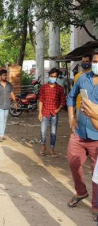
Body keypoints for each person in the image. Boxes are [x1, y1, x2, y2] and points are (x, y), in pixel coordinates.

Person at [66, 51, 98, 222]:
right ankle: (81, 192)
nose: (95, 64)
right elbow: (71, 97)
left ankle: (96, 204)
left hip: (97, 137)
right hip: (79, 133)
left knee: (97, 173)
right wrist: (71, 118)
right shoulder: (83, 78)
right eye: (94, 61)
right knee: (72, 160)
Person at [38, 68, 66, 157]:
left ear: (57, 77)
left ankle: (52, 149)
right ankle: (43, 146)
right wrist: (39, 113)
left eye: (55, 76)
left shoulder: (60, 89)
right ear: (49, 76)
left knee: (53, 132)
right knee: (43, 131)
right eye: (51, 76)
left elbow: (63, 101)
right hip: (45, 112)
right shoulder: (43, 87)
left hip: (54, 114)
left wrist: (58, 110)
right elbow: (41, 100)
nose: (53, 78)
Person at [0, 69, 17, 142]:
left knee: (5, 120)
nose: (5, 76)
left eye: (6, 75)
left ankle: (2, 134)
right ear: (0, 76)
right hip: (0, 105)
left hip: (7, 105)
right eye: (3, 75)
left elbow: (12, 93)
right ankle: (1, 135)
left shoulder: (9, 85)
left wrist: (15, 102)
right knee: (1, 120)